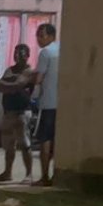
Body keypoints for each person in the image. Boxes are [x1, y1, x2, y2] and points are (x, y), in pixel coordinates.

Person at [0, 44, 35, 184]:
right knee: (9, 145)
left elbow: (16, 85)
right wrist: (9, 85)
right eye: (16, 53)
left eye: (21, 53)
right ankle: (7, 172)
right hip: (8, 111)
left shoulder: (29, 71)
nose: (18, 56)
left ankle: (29, 174)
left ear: (27, 56)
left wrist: (5, 84)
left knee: (25, 144)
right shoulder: (9, 70)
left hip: (22, 112)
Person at [32, 23, 59, 186]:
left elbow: (38, 78)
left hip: (48, 102)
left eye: (42, 35)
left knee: (45, 139)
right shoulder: (62, 50)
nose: (39, 39)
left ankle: (44, 176)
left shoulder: (45, 52)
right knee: (56, 139)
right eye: (37, 35)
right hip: (61, 103)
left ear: (51, 36)